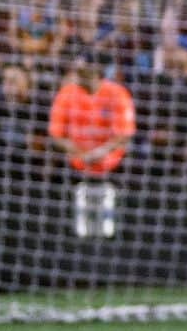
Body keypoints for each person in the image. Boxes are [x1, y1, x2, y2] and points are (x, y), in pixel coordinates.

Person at [48, 57, 136, 238]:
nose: (78, 76)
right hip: (77, 161)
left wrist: (100, 152)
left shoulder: (117, 93)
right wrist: (79, 153)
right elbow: (56, 135)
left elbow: (124, 135)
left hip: (112, 162)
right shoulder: (66, 93)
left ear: (96, 71)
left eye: (82, 71)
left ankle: (119, 234)